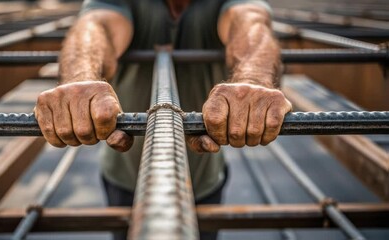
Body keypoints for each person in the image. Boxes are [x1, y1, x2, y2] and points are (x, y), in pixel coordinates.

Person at [34, 0, 292, 239]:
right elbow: (97, 25)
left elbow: (249, 24)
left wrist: (254, 79)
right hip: (125, 175)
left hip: (204, 176)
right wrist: (80, 80)